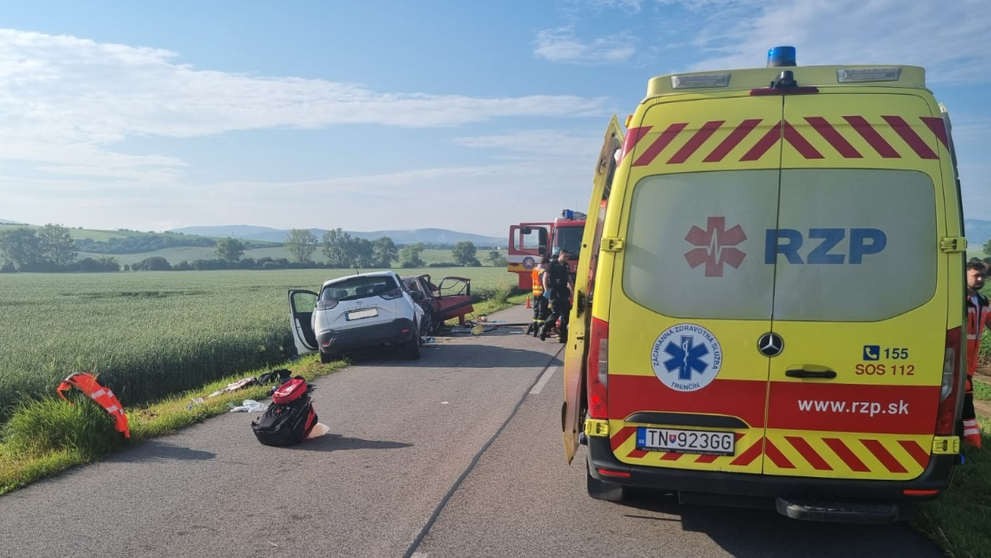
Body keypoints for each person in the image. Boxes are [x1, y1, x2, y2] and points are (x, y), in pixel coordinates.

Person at [964, 261, 988, 449]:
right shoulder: (956, 300)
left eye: (983, 276)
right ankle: (972, 442)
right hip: (954, 362)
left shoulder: (984, 302)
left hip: (970, 365)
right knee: (964, 402)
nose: (980, 279)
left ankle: (969, 441)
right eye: (976, 275)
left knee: (965, 400)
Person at [540, 249, 575, 343]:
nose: (566, 258)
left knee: (565, 315)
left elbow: (569, 279)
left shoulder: (566, 266)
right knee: (556, 313)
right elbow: (545, 277)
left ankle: (563, 335)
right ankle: (544, 328)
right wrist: (546, 289)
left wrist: (573, 291)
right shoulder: (552, 264)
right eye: (565, 256)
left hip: (563, 292)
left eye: (567, 257)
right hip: (554, 292)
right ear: (560, 255)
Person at [526, 256, 551, 337]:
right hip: (542, 293)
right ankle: (541, 331)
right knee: (542, 312)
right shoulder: (543, 271)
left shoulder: (535, 270)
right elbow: (545, 282)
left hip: (535, 293)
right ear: (546, 263)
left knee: (536, 312)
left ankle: (534, 329)